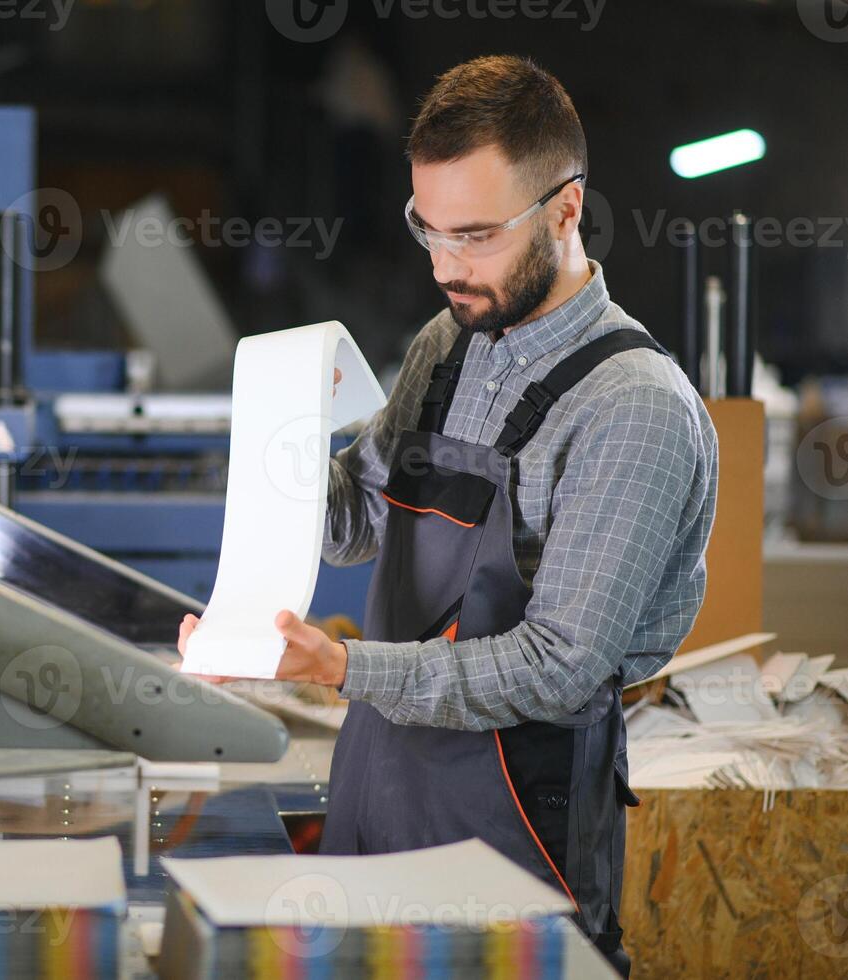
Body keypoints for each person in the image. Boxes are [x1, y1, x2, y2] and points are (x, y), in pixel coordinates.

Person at [177, 55, 719, 976]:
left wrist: (340, 666)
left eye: (473, 236)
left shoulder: (633, 410)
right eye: (426, 230)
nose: (443, 267)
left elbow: (558, 669)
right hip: (378, 788)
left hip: (512, 839)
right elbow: (359, 522)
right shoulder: (448, 345)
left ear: (564, 209)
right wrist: (281, 431)